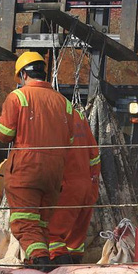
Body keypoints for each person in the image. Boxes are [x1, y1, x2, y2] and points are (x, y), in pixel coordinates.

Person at [0, 52, 74, 272]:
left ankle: (41, 264)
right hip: (55, 172)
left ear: (22, 74)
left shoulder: (18, 97)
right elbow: (69, 139)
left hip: (26, 169)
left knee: (25, 223)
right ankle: (51, 262)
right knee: (42, 223)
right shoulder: (63, 102)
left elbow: (4, 134)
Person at [47, 108, 101, 265]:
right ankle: (74, 266)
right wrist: (92, 181)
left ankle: (59, 272)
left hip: (65, 186)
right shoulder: (77, 115)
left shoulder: (47, 115)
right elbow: (94, 154)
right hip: (86, 186)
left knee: (51, 234)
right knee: (75, 242)